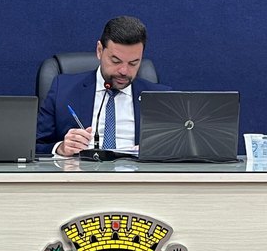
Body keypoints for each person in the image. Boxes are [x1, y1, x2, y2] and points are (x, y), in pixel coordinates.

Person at [36, 16, 170, 156]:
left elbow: (177, 150)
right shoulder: (63, 90)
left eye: (133, 63)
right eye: (116, 61)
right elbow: (34, 145)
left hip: (136, 169)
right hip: (80, 169)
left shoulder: (161, 98)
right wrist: (60, 148)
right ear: (99, 50)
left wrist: (157, 151)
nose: (124, 71)